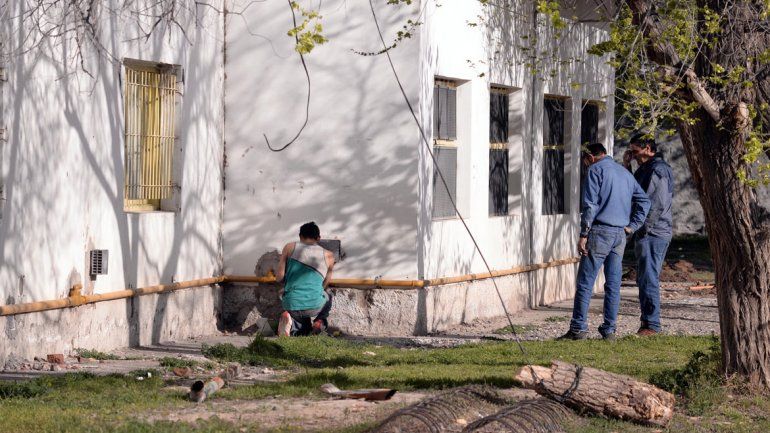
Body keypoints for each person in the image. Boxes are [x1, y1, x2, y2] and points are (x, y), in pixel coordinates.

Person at [560, 143, 651, 341]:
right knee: (613, 284)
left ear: (590, 157)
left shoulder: (595, 170)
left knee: (586, 282)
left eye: (585, 160)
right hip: (620, 234)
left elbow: (590, 204)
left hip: (600, 231)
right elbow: (645, 201)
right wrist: (632, 226)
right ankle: (609, 330)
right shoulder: (624, 173)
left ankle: (578, 329)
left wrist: (584, 233)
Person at [623, 134, 674, 336]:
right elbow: (631, 190)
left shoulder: (658, 170)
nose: (633, 155)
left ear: (647, 148)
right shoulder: (645, 168)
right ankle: (648, 322)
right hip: (648, 231)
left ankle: (652, 325)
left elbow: (656, 205)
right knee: (645, 277)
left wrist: (640, 228)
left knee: (648, 278)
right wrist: (627, 165)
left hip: (653, 232)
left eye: (635, 151)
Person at [274, 222, 335, 337]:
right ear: (319, 238)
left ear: (300, 236)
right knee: (329, 294)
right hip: (315, 306)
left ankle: (290, 322)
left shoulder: (289, 247)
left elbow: (279, 278)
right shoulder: (329, 255)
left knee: (286, 294)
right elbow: (326, 283)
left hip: (291, 304)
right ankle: (319, 322)